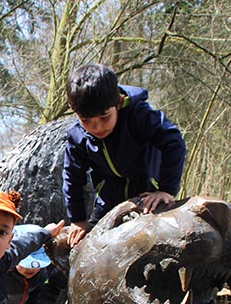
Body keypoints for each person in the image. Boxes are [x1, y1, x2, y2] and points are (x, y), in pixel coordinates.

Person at [63, 63, 186, 247]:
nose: (97, 127)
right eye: (86, 120)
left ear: (119, 103)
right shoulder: (77, 136)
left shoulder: (140, 115)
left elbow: (174, 142)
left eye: (104, 117)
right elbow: (72, 176)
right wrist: (78, 219)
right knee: (90, 244)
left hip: (148, 190)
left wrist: (166, 189)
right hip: (108, 198)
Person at [5, 224, 52, 304]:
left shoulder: (40, 275)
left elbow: (35, 300)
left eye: (38, 266)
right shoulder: (4, 273)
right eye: (25, 264)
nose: (31, 269)